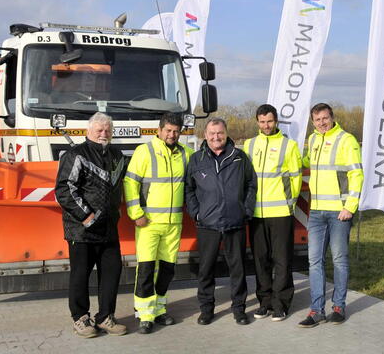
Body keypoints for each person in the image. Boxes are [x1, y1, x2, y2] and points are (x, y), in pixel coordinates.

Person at [55, 112, 127, 338]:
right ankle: (80, 318)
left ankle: (105, 316)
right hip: (82, 229)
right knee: (80, 275)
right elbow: (64, 189)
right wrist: (86, 216)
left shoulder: (118, 155)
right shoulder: (75, 155)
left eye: (107, 130)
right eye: (99, 130)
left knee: (111, 273)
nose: (104, 134)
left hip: (108, 228)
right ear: (89, 131)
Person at [124, 112, 193, 334]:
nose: (172, 134)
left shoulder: (186, 154)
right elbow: (130, 182)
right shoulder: (144, 151)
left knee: (167, 269)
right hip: (149, 223)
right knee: (145, 269)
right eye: (168, 130)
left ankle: (160, 309)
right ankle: (145, 315)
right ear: (159, 130)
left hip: (174, 223)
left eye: (176, 131)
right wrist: (136, 213)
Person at [185, 118, 257, 326]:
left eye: (220, 133)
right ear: (205, 135)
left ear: (226, 134)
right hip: (207, 224)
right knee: (206, 269)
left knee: (238, 269)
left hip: (235, 222)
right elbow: (188, 188)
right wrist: (196, 213)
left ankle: (239, 309)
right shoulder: (196, 159)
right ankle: (206, 309)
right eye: (212, 133)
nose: (216, 137)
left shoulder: (239, 157)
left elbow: (251, 184)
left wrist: (246, 209)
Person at [298, 103, 363, 328]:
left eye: (325, 118)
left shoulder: (347, 140)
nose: (321, 123)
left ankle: (338, 306)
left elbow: (356, 174)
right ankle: (316, 311)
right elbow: (307, 162)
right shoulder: (314, 139)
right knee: (314, 261)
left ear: (332, 117)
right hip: (316, 211)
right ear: (312, 122)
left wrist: (350, 207)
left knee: (339, 260)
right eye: (317, 120)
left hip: (339, 212)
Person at [243, 104, 302, 321]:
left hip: (280, 213)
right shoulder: (249, 145)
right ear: (257, 122)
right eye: (262, 121)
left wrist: (289, 204)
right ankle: (264, 303)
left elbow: (295, 179)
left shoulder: (289, 146)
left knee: (282, 260)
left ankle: (281, 304)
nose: (266, 125)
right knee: (260, 260)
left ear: (276, 121)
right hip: (257, 215)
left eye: (269, 121)